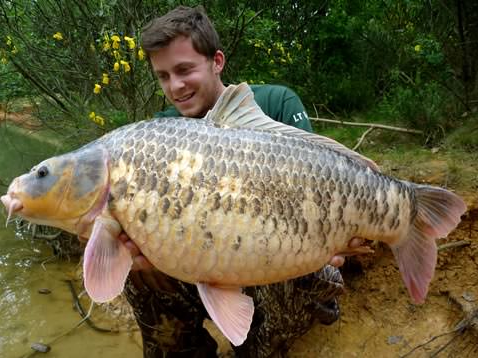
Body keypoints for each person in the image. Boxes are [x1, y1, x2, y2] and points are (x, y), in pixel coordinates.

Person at [119, 5, 360, 357]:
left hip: (280, 256)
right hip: (208, 258)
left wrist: (335, 241)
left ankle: (261, 346)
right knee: (135, 269)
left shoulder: (276, 102)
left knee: (308, 271)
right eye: (163, 76)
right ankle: (184, 349)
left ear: (217, 61)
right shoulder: (163, 131)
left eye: (185, 70)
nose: (176, 86)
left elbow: (322, 187)